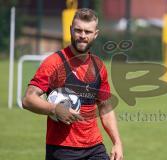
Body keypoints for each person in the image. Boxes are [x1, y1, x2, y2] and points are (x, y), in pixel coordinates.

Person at [22, 8, 123, 160]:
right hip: (62, 149)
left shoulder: (99, 66)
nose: (82, 36)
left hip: (94, 147)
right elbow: (28, 100)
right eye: (78, 30)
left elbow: (105, 108)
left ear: (95, 34)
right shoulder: (54, 63)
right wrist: (55, 109)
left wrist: (117, 142)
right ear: (70, 30)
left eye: (88, 32)